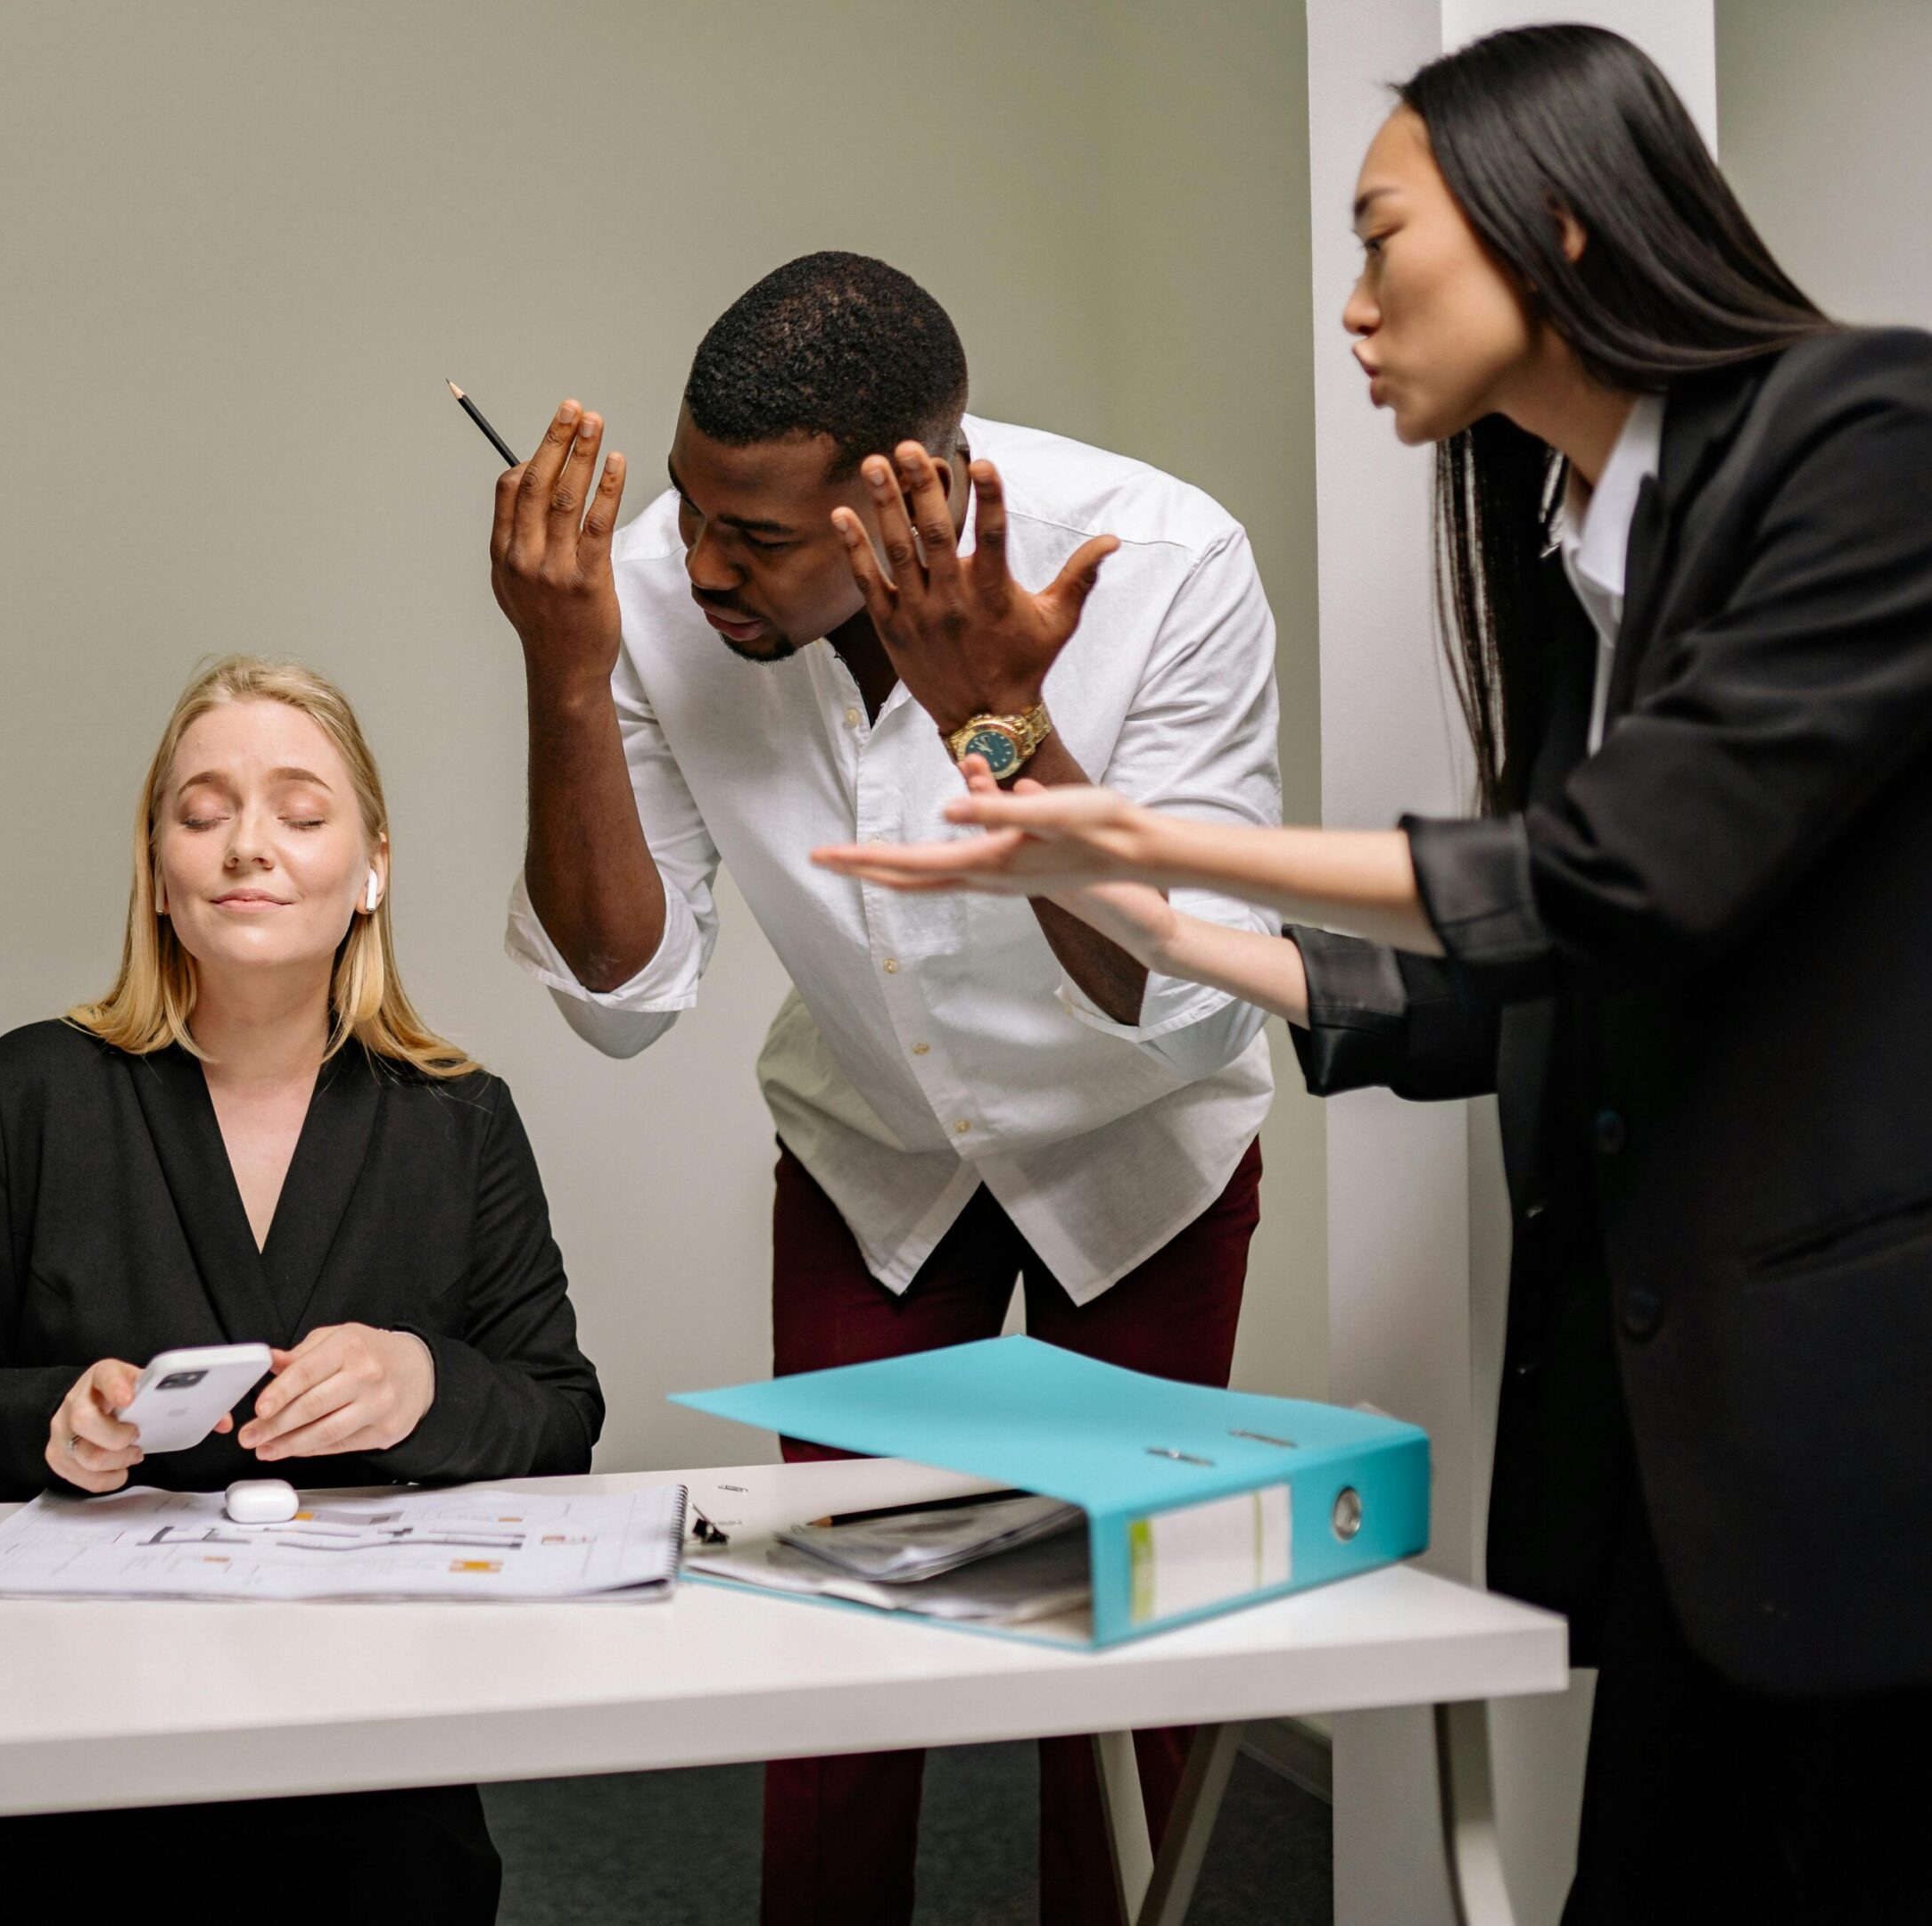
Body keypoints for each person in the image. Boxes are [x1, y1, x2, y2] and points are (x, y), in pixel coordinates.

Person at [815, 25, 1932, 1918]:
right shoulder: (1587, 552)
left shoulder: (1870, 437)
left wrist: (1144, 840)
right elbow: (1521, 976)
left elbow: (1602, 880)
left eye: (1381, 239)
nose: (1352, 307)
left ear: (1558, 224)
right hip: (1710, 1477)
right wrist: (1078, 824)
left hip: (1862, 1449)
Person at [488, 252, 1280, 1924]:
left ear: (887, 499)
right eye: (694, 511)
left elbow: (1186, 990)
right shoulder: (651, 591)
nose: (701, 568)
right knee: (837, 1647)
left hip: (1143, 1154)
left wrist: (997, 718)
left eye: (757, 539)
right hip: (877, 1158)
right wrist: (563, 673)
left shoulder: (1168, 561)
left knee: (1127, 1665)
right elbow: (622, 997)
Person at [0, 655, 603, 1924]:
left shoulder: (460, 1121)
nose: (249, 845)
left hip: (360, 1746)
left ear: (373, 869)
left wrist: (426, 1381)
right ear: (157, 872)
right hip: (63, 1739)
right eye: (203, 815)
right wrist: (49, 1419)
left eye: (301, 815)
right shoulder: (29, 1093)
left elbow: (559, 1410)